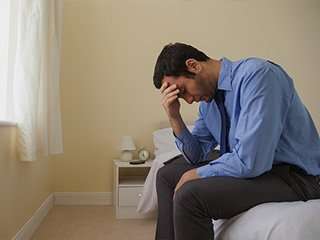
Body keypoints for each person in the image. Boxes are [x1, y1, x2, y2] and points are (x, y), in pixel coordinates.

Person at [152, 42, 320, 240]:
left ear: (194, 65)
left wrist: (196, 174)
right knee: (165, 175)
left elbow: (251, 161)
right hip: (258, 168)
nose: (188, 100)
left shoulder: (258, 76)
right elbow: (196, 155)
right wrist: (174, 117)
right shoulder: (209, 104)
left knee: (190, 196)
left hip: (294, 175)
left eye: (183, 91)